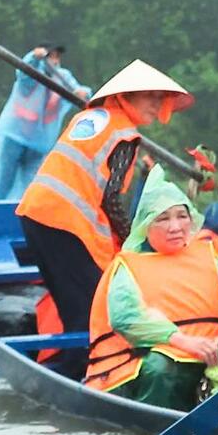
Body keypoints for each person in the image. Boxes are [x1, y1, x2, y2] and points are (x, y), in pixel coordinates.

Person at [17, 60, 193, 379]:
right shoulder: (124, 135)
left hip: (37, 215)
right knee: (94, 306)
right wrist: (132, 241)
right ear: (125, 97)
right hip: (64, 224)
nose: (156, 105)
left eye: (160, 98)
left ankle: (71, 369)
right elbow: (112, 198)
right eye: (149, 96)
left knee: (73, 304)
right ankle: (83, 373)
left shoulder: (93, 117)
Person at [84, 172, 218, 410]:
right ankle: (153, 425)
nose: (175, 227)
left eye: (182, 216)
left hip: (215, 347)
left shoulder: (209, 257)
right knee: (160, 369)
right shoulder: (128, 265)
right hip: (160, 352)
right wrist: (183, 341)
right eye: (162, 219)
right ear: (146, 224)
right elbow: (126, 319)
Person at [0, 44, 89, 201]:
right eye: (51, 56)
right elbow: (23, 71)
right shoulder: (32, 73)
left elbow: (79, 91)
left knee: (32, 185)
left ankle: (22, 212)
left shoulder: (63, 76)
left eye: (57, 57)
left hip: (39, 141)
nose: (55, 61)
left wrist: (84, 93)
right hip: (15, 134)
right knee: (3, 179)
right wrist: (33, 57)